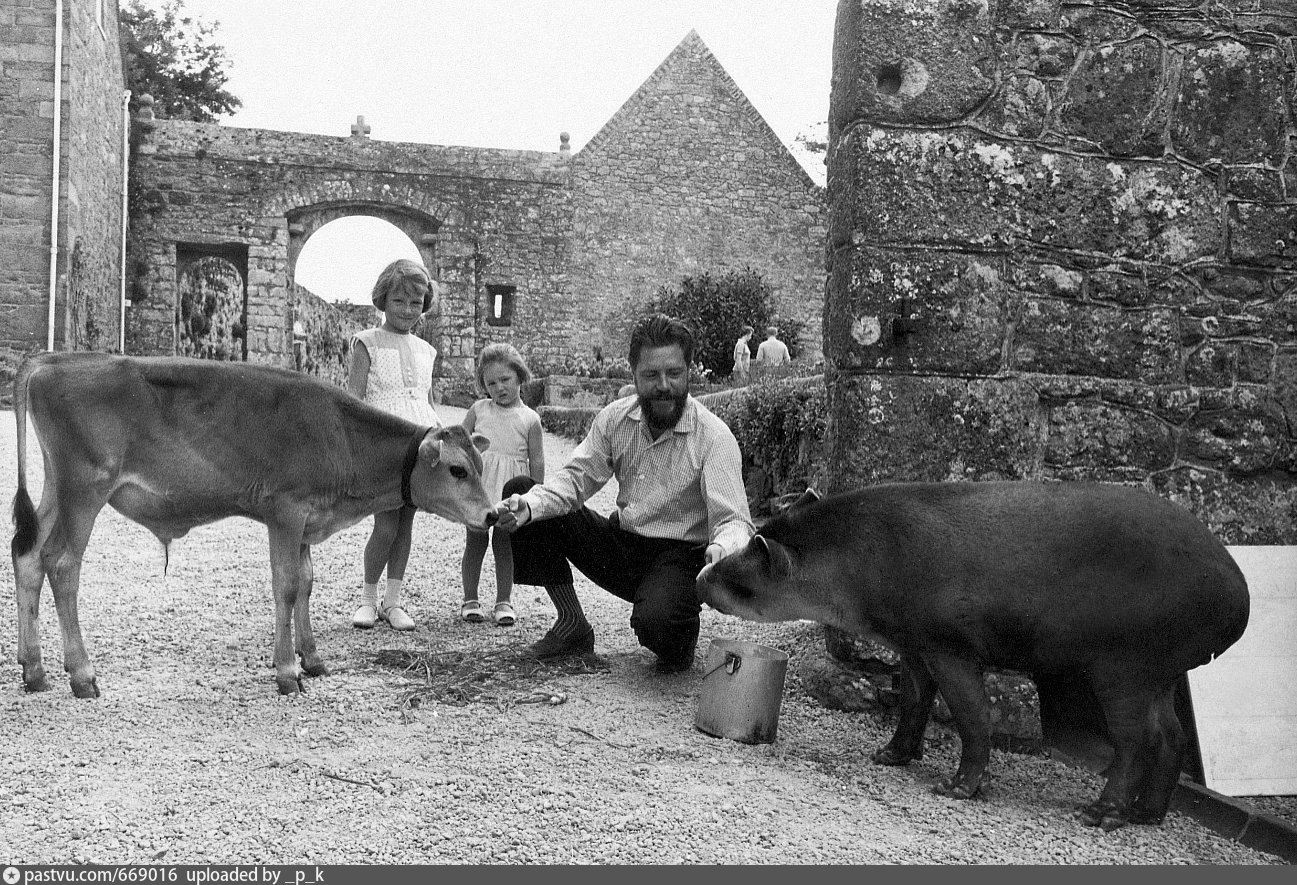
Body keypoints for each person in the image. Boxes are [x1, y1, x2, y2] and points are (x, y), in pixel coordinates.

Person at [494, 314, 755, 674]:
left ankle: (676, 630)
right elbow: (576, 480)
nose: (664, 386)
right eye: (651, 375)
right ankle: (572, 623)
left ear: (688, 371)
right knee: (524, 494)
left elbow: (734, 521)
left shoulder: (714, 437)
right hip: (624, 547)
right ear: (633, 374)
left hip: (679, 558)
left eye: (674, 374)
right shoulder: (615, 419)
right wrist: (528, 507)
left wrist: (722, 549)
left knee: (658, 628)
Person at [348, 258, 442, 632]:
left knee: (406, 525)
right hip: (384, 445)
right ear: (383, 300)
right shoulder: (366, 343)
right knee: (385, 525)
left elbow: (427, 401)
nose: (406, 310)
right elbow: (353, 399)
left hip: (419, 443)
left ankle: (393, 601)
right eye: (399, 301)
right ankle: (368, 600)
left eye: (415, 303)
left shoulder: (426, 351)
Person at [459, 343, 545, 627]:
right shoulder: (478, 410)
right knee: (475, 542)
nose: (499, 388)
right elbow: (459, 443)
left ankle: (503, 601)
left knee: (504, 543)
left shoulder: (530, 419)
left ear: (520, 377)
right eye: (491, 383)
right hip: (481, 489)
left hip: (511, 490)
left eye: (505, 380)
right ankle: (470, 599)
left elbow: (537, 461)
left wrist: (536, 496)